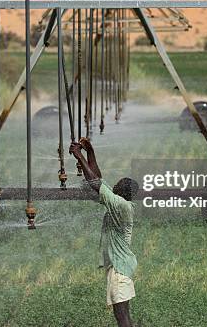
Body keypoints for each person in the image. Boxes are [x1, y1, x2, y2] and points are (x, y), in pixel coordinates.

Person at [69, 138, 138, 327]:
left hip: (119, 269)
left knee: (121, 315)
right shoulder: (119, 201)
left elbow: (95, 183)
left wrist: (78, 155)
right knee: (122, 313)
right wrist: (90, 151)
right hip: (119, 266)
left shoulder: (120, 205)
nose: (113, 185)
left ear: (122, 191)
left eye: (117, 185)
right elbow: (98, 179)